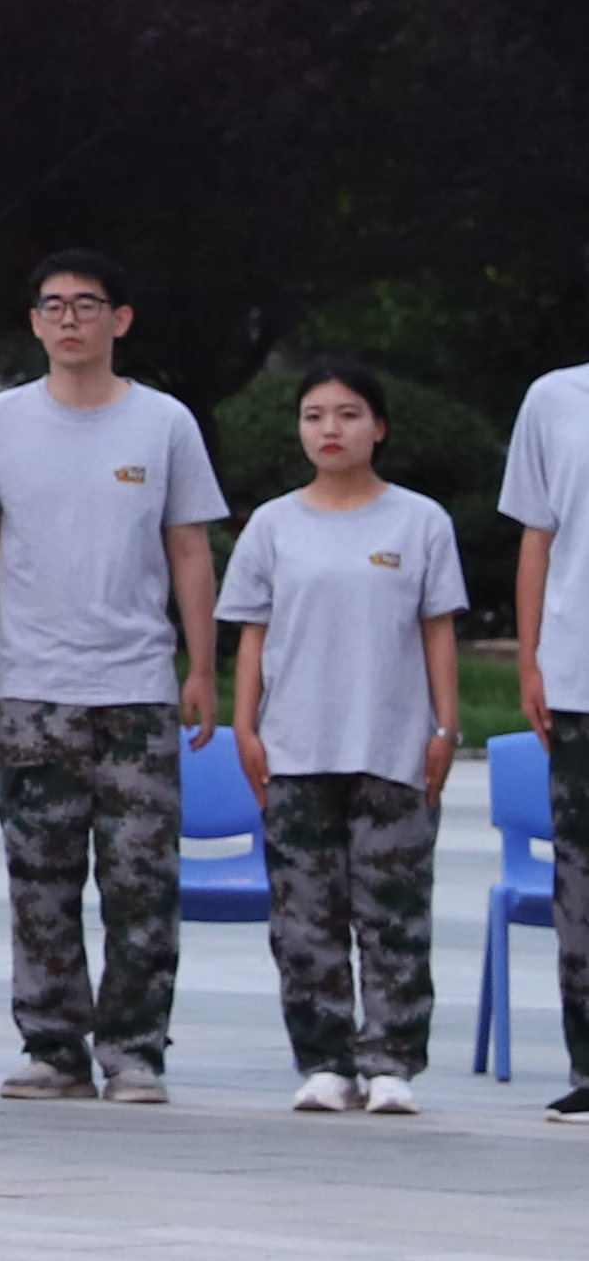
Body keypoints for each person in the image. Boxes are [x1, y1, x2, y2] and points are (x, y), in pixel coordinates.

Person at [0, 250, 222, 1107]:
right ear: (34, 323)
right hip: (34, 688)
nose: (70, 320)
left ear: (120, 320)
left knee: (142, 883)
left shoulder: (163, 422)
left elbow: (189, 547)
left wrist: (202, 664)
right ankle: (53, 1046)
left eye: (87, 305)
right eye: (54, 306)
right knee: (40, 880)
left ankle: (135, 1049)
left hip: (137, 687)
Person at [221, 360, 465, 1117]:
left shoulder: (419, 522)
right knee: (305, 918)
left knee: (395, 913)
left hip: (392, 745)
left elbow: (438, 631)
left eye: (349, 414)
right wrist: (245, 724)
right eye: (315, 415)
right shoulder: (273, 525)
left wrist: (445, 727)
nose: (331, 429)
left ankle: (391, 1060)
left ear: (378, 428)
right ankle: (325, 1061)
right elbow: (253, 634)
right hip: (296, 748)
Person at [493, 349, 589, 1118]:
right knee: (581, 879)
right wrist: (531, 661)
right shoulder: (556, 398)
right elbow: (539, 535)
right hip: (579, 677)